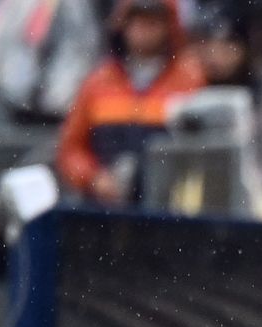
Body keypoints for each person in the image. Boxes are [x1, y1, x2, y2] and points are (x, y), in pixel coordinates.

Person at [56, 0, 208, 205]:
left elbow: (203, 150)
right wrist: (93, 178)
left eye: (153, 22)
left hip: (167, 207)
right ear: (123, 24)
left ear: (169, 27)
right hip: (104, 207)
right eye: (137, 21)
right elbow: (70, 148)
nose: (144, 30)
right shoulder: (98, 81)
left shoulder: (189, 81)